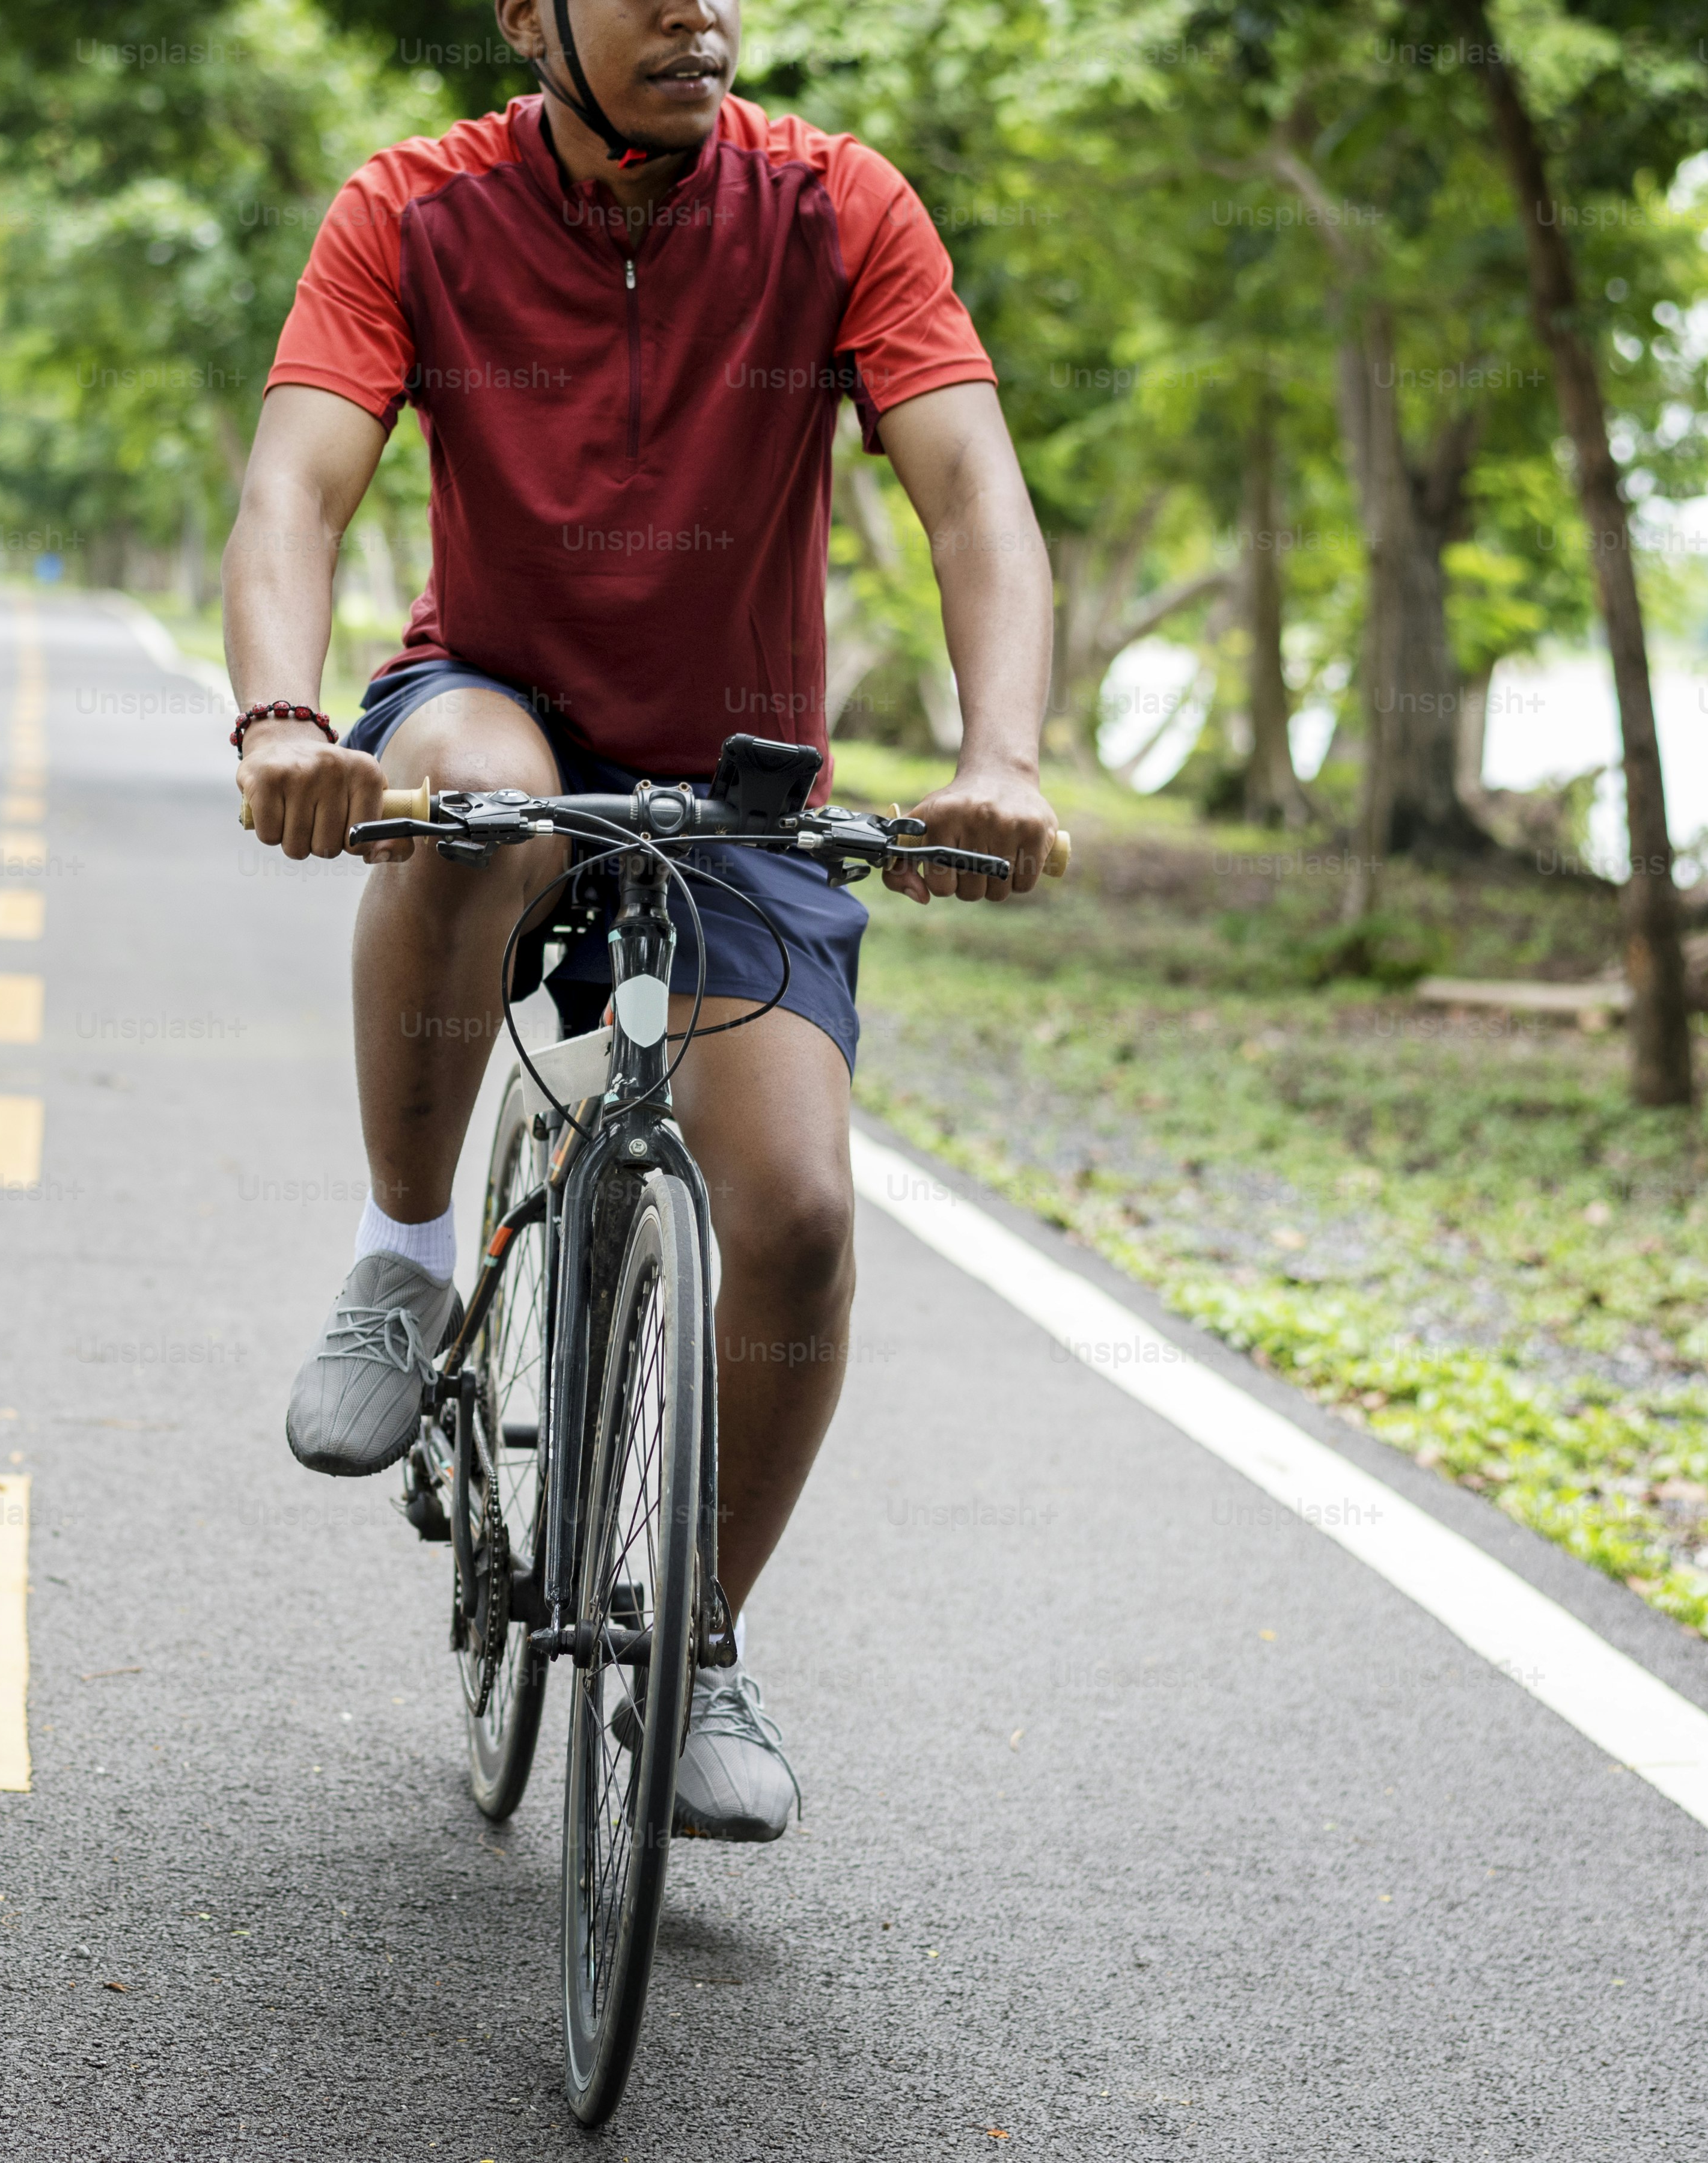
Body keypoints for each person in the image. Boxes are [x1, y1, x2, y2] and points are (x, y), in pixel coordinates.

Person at [225, 0, 1058, 1843]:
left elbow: (972, 489)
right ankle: (403, 1256)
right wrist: (285, 717)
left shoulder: (838, 210)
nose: (700, 7)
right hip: (491, 700)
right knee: (457, 804)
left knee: (807, 1221)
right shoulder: (414, 209)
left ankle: (701, 1643)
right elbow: (297, 475)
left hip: (740, 782)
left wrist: (1000, 756)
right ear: (532, 17)